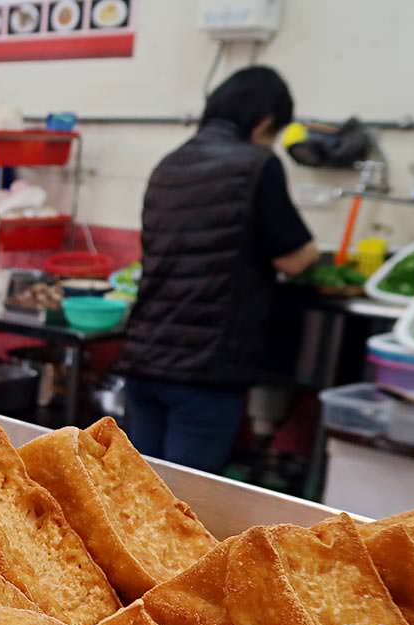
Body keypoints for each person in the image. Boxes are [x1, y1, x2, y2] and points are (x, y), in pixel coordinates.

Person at [115, 66, 319, 473]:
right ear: (264, 122)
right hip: (204, 370)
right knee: (186, 506)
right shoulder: (258, 164)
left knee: (134, 497)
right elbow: (292, 257)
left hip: (143, 358)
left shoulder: (169, 164)